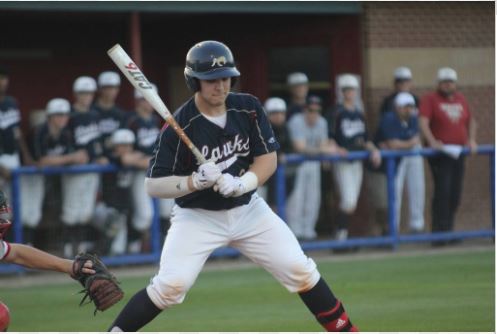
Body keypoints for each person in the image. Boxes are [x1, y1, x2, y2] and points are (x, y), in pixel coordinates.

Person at [108, 40, 358, 332]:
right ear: (195, 81)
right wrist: (193, 181)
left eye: (225, 78)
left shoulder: (248, 108)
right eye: (211, 80)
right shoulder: (179, 125)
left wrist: (243, 183)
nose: (220, 86)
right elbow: (154, 185)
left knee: (300, 270)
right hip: (197, 217)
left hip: (248, 210)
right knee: (170, 287)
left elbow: (267, 159)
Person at [419, 67, 477, 238]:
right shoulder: (430, 99)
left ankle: (449, 231)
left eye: (450, 82)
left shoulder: (461, 99)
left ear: (455, 84)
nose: (447, 85)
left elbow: (471, 121)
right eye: (444, 82)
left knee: (455, 193)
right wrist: (431, 141)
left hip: (459, 152)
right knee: (442, 192)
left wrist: (471, 139)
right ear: (438, 83)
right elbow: (423, 122)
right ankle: (439, 234)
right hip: (441, 153)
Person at [22, 98, 88, 246]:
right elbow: (42, 161)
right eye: (58, 114)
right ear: (49, 116)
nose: (63, 118)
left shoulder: (66, 133)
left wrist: (68, 158)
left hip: (44, 176)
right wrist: (70, 157)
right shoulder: (39, 131)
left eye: (65, 114)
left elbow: (80, 157)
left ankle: (30, 246)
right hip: (26, 175)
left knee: (34, 214)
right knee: (26, 213)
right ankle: (20, 248)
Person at [330, 74, 381, 241]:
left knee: (351, 202)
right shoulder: (336, 112)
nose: (349, 93)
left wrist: (374, 150)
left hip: (357, 161)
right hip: (343, 162)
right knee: (348, 201)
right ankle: (340, 235)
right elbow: (329, 137)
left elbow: (365, 139)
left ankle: (341, 234)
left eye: (351, 90)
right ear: (341, 92)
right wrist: (337, 148)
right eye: (346, 90)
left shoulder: (359, 113)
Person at [62, 76, 104, 257]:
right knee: (71, 210)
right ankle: (67, 248)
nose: (86, 96)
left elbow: (97, 142)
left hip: (91, 168)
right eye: (82, 93)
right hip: (74, 169)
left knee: (86, 210)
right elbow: (62, 140)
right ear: (75, 94)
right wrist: (71, 156)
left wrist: (100, 156)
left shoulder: (94, 114)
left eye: (89, 93)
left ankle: (79, 250)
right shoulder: (68, 115)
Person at [287, 95, 338, 240]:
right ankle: (294, 232)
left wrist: (320, 149)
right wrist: (322, 150)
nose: (314, 114)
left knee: (313, 198)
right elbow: (299, 147)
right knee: (297, 198)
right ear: (305, 109)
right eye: (311, 110)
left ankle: (308, 231)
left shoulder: (321, 122)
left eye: (317, 110)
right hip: (296, 164)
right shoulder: (296, 121)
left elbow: (323, 143)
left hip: (313, 163)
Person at [376, 92, 425, 233]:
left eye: (410, 106)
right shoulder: (389, 118)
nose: (408, 109)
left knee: (417, 187)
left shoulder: (413, 118)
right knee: (394, 193)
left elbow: (416, 139)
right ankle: (393, 228)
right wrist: (409, 143)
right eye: (405, 107)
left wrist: (404, 144)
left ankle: (417, 225)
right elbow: (392, 144)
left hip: (409, 156)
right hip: (394, 161)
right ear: (397, 107)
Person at [127, 85, 164, 253]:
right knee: (144, 215)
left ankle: (159, 245)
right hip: (138, 174)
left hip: (157, 172)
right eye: (144, 99)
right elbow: (126, 153)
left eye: (150, 98)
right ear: (138, 101)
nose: (148, 103)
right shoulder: (131, 122)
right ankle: (132, 246)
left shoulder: (156, 121)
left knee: (167, 210)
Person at [0, 66, 34, 214]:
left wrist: (25, 155)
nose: (2, 81)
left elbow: (17, 131)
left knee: (12, 208)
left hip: (13, 157)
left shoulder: (11, 102)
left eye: (4, 78)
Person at [262, 97, 295, 210]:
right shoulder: (261, 128)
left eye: (281, 113)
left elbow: (290, 148)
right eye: (274, 113)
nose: (278, 116)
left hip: (278, 176)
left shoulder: (285, 128)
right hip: (261, 178)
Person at [94, 71, 127, 158]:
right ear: (100, 89)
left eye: (113, 88)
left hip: (116, 159)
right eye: (107, 88)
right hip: (94, 159)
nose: (110, 91)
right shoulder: (91, 111)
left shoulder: (121, 114)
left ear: (118, 90)